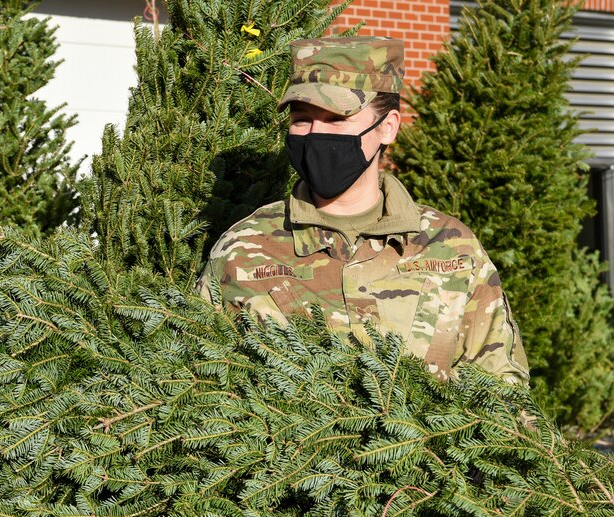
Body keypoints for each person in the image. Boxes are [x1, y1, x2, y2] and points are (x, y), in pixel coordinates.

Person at [196, 36, 529, 384]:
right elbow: (202, 383)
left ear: (388, 127)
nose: (315, 134)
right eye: (302, 119)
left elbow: (502, 390)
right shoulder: (243, 248)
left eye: (336, 118)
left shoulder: (453, 248)